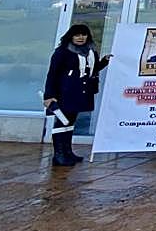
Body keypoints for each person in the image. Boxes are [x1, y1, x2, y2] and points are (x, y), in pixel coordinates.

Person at [42, 24, 112, 167]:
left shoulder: (91, 52)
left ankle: (68, 152)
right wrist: (49, 95)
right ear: (71, 36)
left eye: (83, 34)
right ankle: (59, 154)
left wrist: (104, 61)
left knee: (70, 122)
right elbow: (52, 74)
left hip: (81, 92)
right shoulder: (62, 52)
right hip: (65, 93)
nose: (81, 38)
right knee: (62, 123)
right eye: (77, 35)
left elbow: (92, 69)